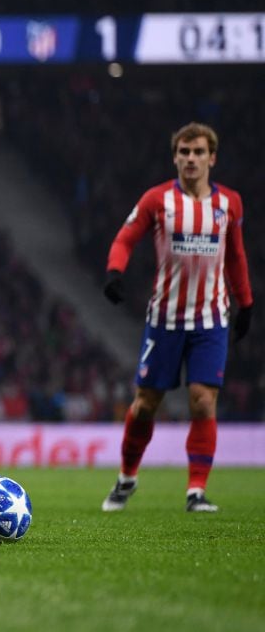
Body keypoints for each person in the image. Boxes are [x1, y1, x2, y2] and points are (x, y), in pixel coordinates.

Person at [101, 122, 252, 513]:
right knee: (146, 403)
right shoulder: (157, 200)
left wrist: (245, 303)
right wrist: (115, 271)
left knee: (203, 401)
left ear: (212, 158)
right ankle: (126, 478)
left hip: (210, 320)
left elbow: (235, 255)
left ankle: (196, 491)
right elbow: (125, 237)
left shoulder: (229, 203)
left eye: (199, 152)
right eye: (184, 152)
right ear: (175, 157)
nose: (191, 159)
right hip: (165, 319)